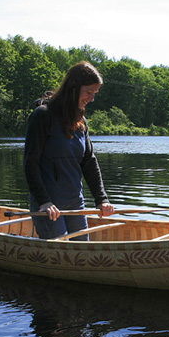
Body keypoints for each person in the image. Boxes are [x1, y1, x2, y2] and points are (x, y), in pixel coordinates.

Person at [23, 61, 115, 240]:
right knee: (64, 253)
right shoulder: (42, 116)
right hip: (48, 206)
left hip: (75, 203)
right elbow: (30, 163)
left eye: (94, 93)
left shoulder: (80, 121)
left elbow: (89, 163)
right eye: (89, 92)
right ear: (73, 88)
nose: (92, 98)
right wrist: (44, 201)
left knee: (82, 252)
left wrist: (102, 199)